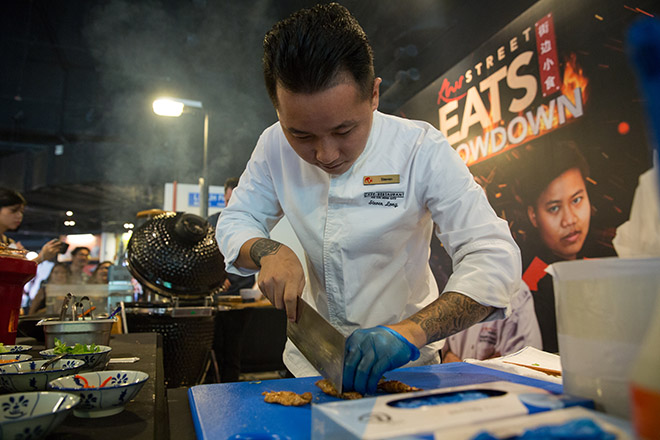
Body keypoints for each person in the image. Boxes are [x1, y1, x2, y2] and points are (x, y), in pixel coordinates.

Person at [215, 3, 521, 395]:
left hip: (410, 365)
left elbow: (492, 253)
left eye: (344, 130)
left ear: (374, 94)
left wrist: (411, 332)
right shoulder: (273, 145)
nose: (325, 154)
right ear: (278, 110)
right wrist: (268, 250)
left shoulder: (419, 149)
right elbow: (236, 219)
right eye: (302, 136)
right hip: (311, 365)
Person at [518, 141, 612, 353]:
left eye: (577, 200)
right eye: (554, 208)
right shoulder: (526, 286)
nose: (569, 219)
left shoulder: (610, 260)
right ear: (533, 216)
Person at [441, 282, 542, 362]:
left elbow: (519, 364)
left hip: (499, 387)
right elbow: (442, 352)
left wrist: (458, 368)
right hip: (452, 386)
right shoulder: (453, 288)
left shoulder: (515, 293)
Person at [0, 187, 61, 263]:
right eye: (14, 210)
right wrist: (41, 257)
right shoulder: (8, 244)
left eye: (21, 212)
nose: (19, 216)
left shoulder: (8, 242)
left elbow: (17, 272)